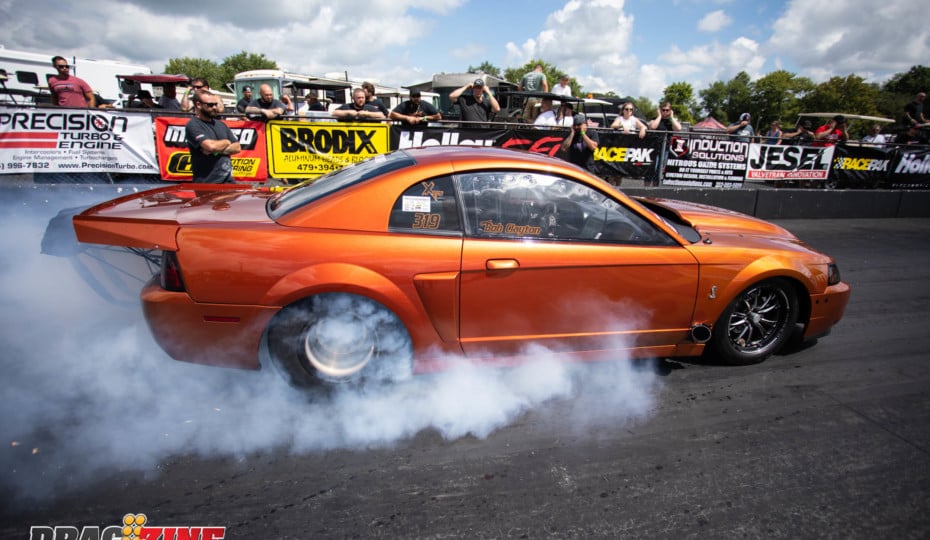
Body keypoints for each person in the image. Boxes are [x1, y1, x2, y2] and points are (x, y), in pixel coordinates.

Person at [185, 90, 241, 183]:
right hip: (206, 183)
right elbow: (210, 146)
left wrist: (215, 151)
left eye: (215, 104)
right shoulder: (193, 125)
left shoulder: (221, 125)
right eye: (210, 105)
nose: (214, 107)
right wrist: (226, 142)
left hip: (228, 181)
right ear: (198, 105)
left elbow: (237, 147)